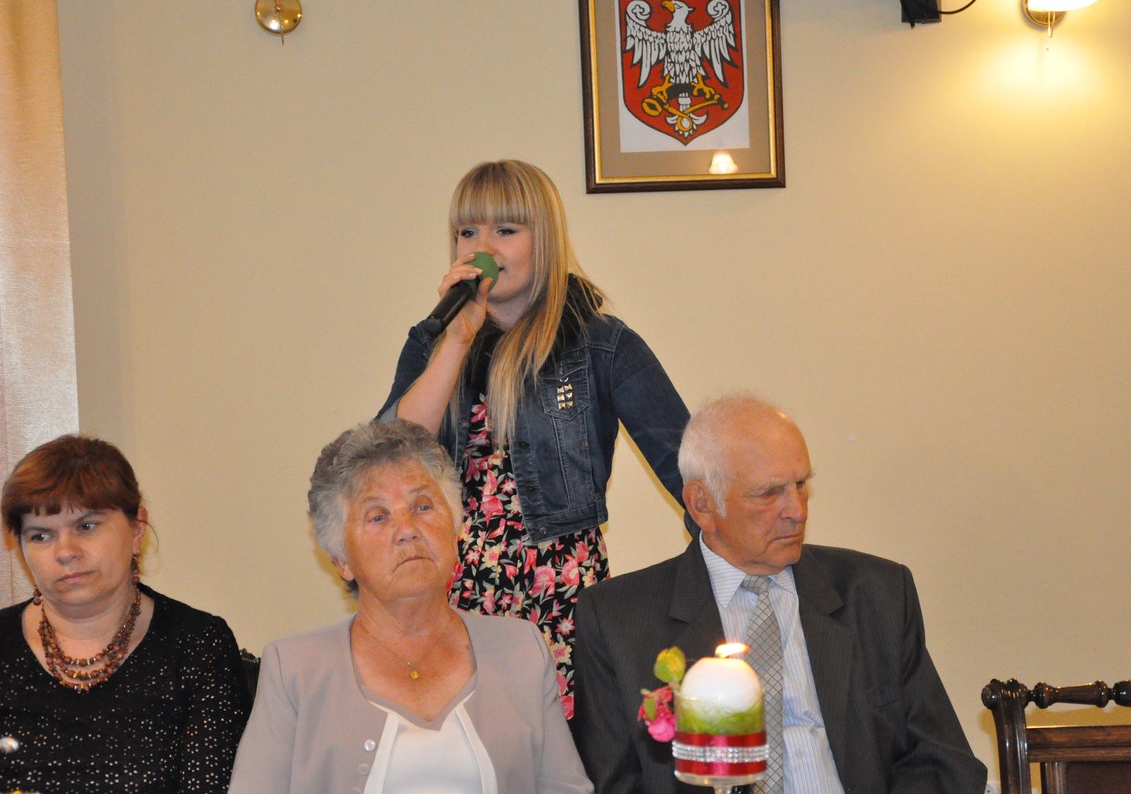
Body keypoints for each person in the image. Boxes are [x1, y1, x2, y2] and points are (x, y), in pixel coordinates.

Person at [377, 159, 689, 717]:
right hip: (451, 594)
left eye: (505, 230)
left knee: (563, 750)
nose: (483, 247)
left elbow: (691, 471)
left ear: (543, 239)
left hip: (559, 597)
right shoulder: (433, 342)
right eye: (467, 232)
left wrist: (719, 580)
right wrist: (455, 340)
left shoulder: (601, 344)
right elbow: (389, 459)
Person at [572, 396, 987, 794]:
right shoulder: (617, 619)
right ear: (702, 505)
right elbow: (616, 784)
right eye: (769, 493)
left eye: (801, 484)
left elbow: (943, 760)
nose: (798, 511)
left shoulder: (876, 593)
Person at [228, 419, 591, 794]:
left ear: (456, 529)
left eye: (422, 506)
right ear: (341, 560)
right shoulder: (295, 670)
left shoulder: (521, 649)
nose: (407, 530)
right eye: (378, 516)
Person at [0, 435, 250, 794]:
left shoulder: (198, 644)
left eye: (86, 526)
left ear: (136, 530)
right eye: (41, 536)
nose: (66, 551)